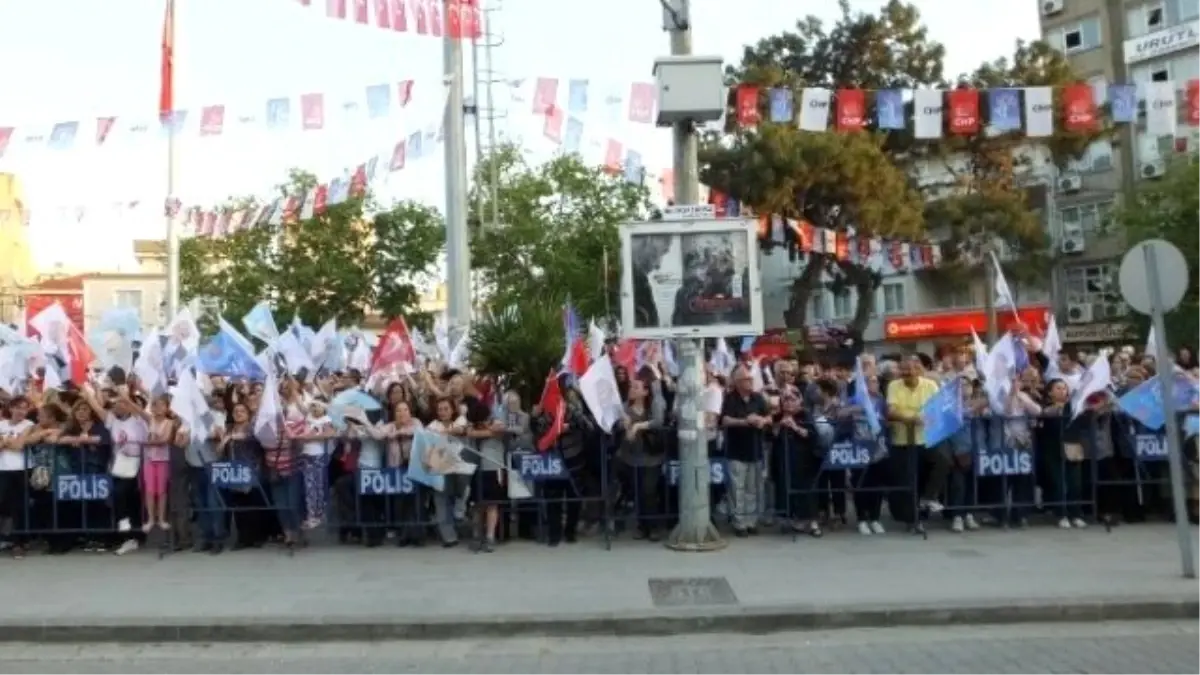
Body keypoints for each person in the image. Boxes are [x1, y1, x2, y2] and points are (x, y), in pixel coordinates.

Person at [885, 358, 946, 533]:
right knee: (910, 480)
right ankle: (913, 521)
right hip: (903, 441)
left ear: (918, 370)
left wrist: (923, 418)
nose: (906, 374)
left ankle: (929, 498)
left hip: (926, 439)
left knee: (942, 462)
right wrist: (913, 418)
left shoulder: (930, 385)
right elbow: (891, 411)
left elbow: (936, 409)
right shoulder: (894, 386)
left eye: (909, 370)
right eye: (903, 371)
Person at [719, 364, 769, 537]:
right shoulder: (730, 398)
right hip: (736, 450)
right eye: (746, 379)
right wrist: (745, 421)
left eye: (751, 378)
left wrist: (762, 421)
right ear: (738, 382)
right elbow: (724, 420)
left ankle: (751, 521)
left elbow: (769, 415)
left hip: (755, 449)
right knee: (737, 488)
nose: (750, 381)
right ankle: (739, 523)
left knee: (753, 488)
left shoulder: (758, 397)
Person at [0, 396, 34, 558]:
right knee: (4, 504)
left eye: (24, 408)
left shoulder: (28, 425)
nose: (21, 411)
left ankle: (18, 542)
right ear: (11, 408)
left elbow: (19, 445)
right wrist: (8, 442)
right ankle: (6, 537)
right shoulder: (2, 424)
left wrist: (6, 442)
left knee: (18, 507)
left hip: (21, 469)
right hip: (3, 469)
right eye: (18, 407)